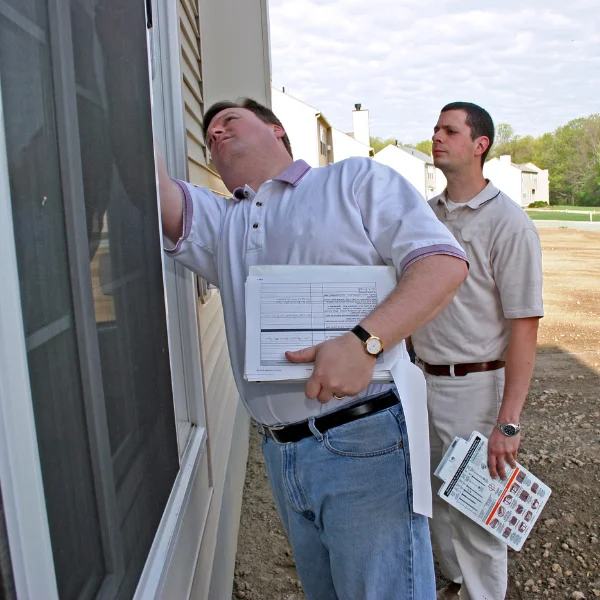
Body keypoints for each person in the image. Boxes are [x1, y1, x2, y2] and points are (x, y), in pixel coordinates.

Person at [158, 97, 469, 600]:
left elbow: (442, 264)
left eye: (229, 120)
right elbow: (156, 190)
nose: (216, 133)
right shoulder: (225, 222)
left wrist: (364, 342)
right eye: (209, 131)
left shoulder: (354, 182)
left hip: (365, 439)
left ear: (278, 130)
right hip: (282, 452)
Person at [410, 102, 544, 600]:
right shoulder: (427, 215)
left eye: (450, 130)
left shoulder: (508, 225)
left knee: (477, 512)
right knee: (438, 501)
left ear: (480, 144)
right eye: (435, 129)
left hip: (475, 386)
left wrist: (507, 422)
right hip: (422, 378)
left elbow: (524, 326)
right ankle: (457, 583)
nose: (436, 137)